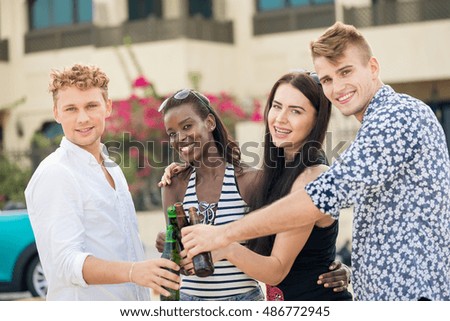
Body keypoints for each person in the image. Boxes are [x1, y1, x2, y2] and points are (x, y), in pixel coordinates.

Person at [181, 22, 450, 301]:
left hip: (413, 299)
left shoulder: (396, 117)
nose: (337, 87)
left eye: (345, 71)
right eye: (327, 79)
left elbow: (323, 196)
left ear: (372, 67)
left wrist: (224, 236)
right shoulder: (376, 125)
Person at [157, 83, 351, 301]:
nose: (180, 138)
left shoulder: (253, 180)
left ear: (209, 122)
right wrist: (169, 247)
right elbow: (179, 261)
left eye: (187, 126)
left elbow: (285, 241)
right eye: (172, 133)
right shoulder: (173, 184)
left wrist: (338, 266)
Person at [24, 63, 180, 300]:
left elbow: (121, 245)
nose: (83, 118)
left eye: (91, 106)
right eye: (71, 109)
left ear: (107, 107)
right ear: (56, 113)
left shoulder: (112, 169)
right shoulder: (56, 174)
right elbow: (66, 263)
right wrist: (133, 271)